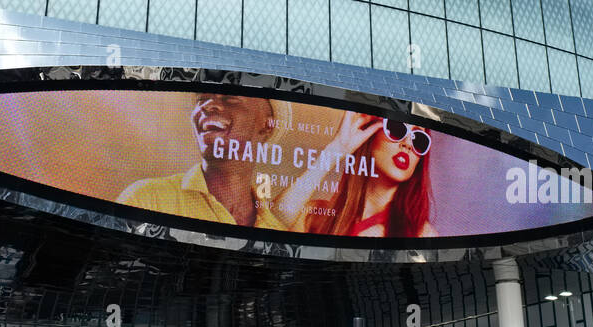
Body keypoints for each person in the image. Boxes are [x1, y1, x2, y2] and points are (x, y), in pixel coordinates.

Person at [116, 93, 286, 230]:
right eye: (201, 99)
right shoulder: (147, 200)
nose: (208, 105)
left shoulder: (276, 231)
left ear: (267, 125)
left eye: (230, 98)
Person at [272, 111, 438, 238]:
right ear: (371, 132)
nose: (408, 144)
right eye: (396, 128)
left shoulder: (421, 233)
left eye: (419, 140)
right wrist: (335, 151)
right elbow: (273, 221)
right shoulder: (316, 215)